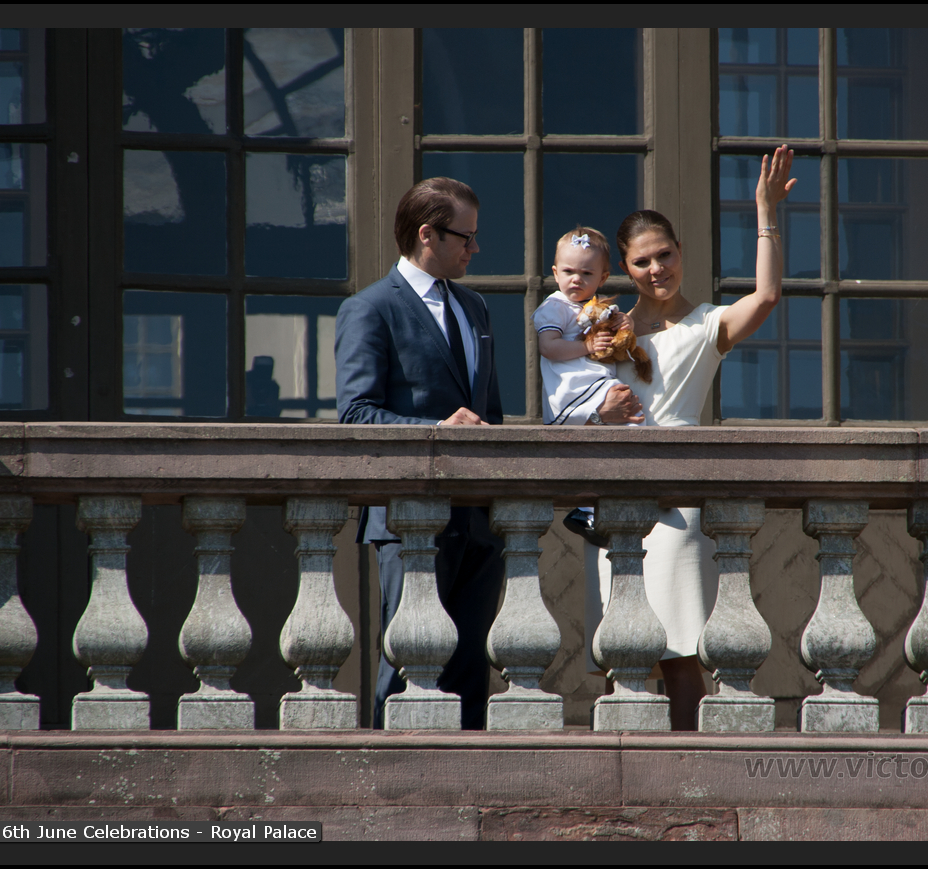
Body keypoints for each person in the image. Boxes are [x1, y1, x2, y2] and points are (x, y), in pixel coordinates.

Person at [334, 177, 641, 730]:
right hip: (410, 518)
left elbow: (490, 415)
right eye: (465, 237)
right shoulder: (369, 308)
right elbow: (356, 416)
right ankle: (390, 773)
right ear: (427, 234)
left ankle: (468, 770)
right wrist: (437, 428)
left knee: (471, 669)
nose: (476, 248)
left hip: (480, 519)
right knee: (409, 666)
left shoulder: (474, 307)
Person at [584, 145, 797, 730]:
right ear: (624, 268)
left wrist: (766, 213)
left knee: (679, 651)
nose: (657, 269)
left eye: (665, 255)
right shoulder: (606, 331)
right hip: (613, 497)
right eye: (642, 262)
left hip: (679, 502)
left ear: (680, 252)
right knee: (621, 655)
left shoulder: (707, 324)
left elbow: (767, 296)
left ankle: (683, 764)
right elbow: (571, 402)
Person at [533, 226, 645, 546]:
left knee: (621, 435)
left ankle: (592, 508)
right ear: (555, 273)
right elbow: (548, 347)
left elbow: (619, 334)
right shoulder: (554, 306)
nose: (576, 279)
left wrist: (626, 323)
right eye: (568, 271)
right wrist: (586, 346)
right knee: (629, 421)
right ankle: (593, 507)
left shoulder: (595, 306)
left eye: (586, 273)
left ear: (603, 277)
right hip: (573, 388)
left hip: (592, 382)